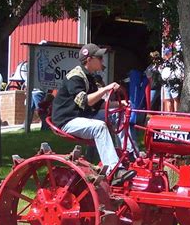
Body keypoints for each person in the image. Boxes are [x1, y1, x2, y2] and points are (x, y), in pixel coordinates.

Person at [51, 43, 136, 186]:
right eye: (100, 57)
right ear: (89, 59)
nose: (102, 60)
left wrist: (119, 105)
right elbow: (85, 101)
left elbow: (97, 104)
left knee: (117, 114)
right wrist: (106, 89)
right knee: (100, 127)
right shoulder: (75, 77)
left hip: (83, 117)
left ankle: (130, 154)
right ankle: (114, 171)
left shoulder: (89, 77)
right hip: (68, 120)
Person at [160, 47, 184, 112]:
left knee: (175, 98)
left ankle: (176, 114)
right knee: (167, 99)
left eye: (167, 54)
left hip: (174, 81)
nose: (166, 55)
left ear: (171, 53)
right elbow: (161, 71)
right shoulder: (164, 62)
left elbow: (180, 70)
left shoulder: (176, 61)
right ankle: (169, 113)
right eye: (165, 54)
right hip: (166, 82)